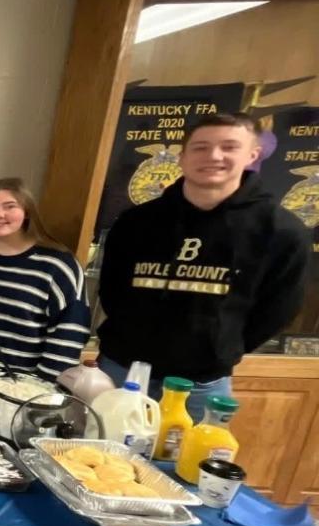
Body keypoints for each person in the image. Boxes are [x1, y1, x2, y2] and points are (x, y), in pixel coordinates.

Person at [98, 112, 308, 418]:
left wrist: (220, 347)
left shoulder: (281, 230)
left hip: (202, 384)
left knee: (194, 450)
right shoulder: (136, 222)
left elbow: (279, 308)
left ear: (253, 154)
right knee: (101, 445)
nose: (214, 156)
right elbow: (111, 289)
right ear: (182, 157)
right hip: (122, 369)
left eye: (229, 147)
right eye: (201, 147)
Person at [0, 178, 90, 408]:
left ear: (27, 211)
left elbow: (69, 333)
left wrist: (42, 389)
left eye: (9, 206)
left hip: (24, 389)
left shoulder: (58, 265)